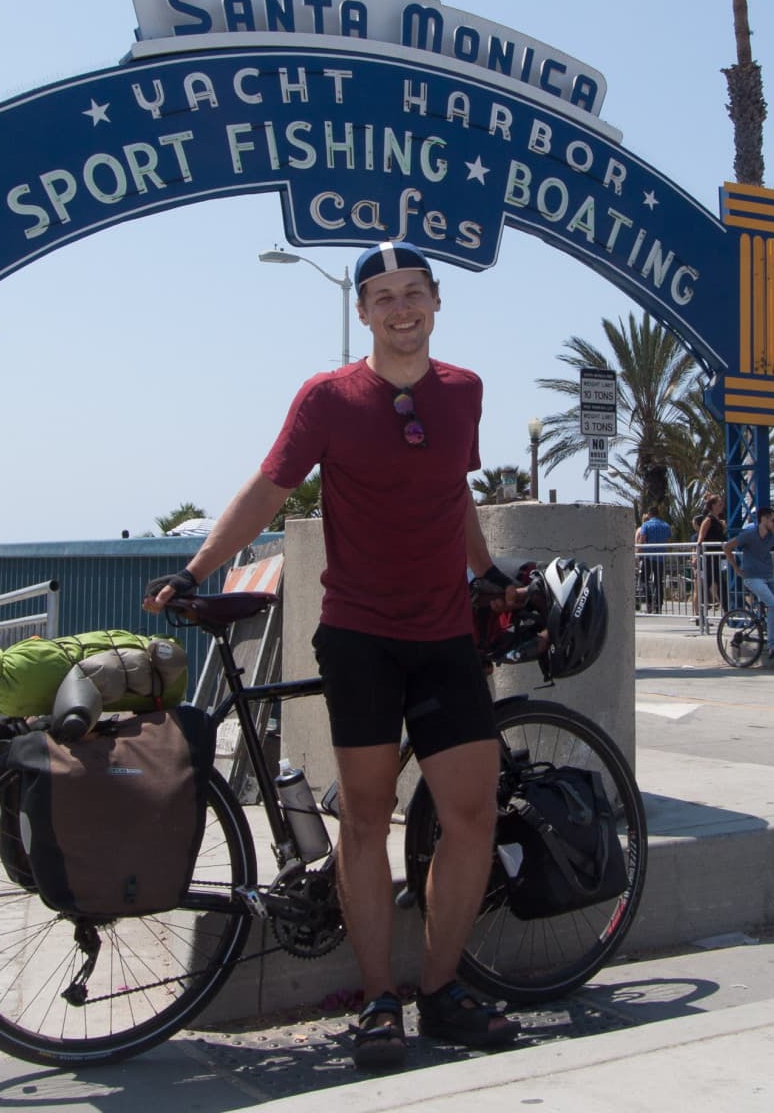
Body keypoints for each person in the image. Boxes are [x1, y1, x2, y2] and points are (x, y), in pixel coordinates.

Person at [143, 241, 519, 1068]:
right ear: (362, 314)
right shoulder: (328, 397)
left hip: (446, 633)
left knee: (470, 815)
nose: (400, 309)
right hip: (360, 635)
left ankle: (443, 988)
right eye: (382, 298)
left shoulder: (465, 392)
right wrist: (196, 569)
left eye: (412, 293)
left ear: (436, 300)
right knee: (363, 816)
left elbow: (454, 489)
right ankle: (379, 1000)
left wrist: (486, 573)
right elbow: (270, 487)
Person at [723, 506, 774, 657]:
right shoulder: (749, 535)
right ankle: (772, 644)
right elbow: (727, 546)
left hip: (769, 577)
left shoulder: (771, 537)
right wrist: (736, 568)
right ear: (764, 519)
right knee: (773, 604)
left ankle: (768, 623)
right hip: (753, 578)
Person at [695, 494, 727, 614]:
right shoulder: (708, 520)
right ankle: (700, 614)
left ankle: (727, 611)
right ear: (713, 506)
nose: (721, 506)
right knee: (707, 585)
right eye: (719, 504)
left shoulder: (719, 520)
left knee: (720, 585)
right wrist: (698, 554)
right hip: (709, 557)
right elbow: (700, 538)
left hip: (717, 557)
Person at [635, 509, 672, 613]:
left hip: (648, 557)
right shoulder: (666, 525)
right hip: (660, 557)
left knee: (644, 580)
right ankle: (658, 605)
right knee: (659, 581)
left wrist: (637, 555)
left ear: (650, 514)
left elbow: (642, 540)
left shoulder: (646, 525)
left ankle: (650, 602)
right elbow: (669, 543)